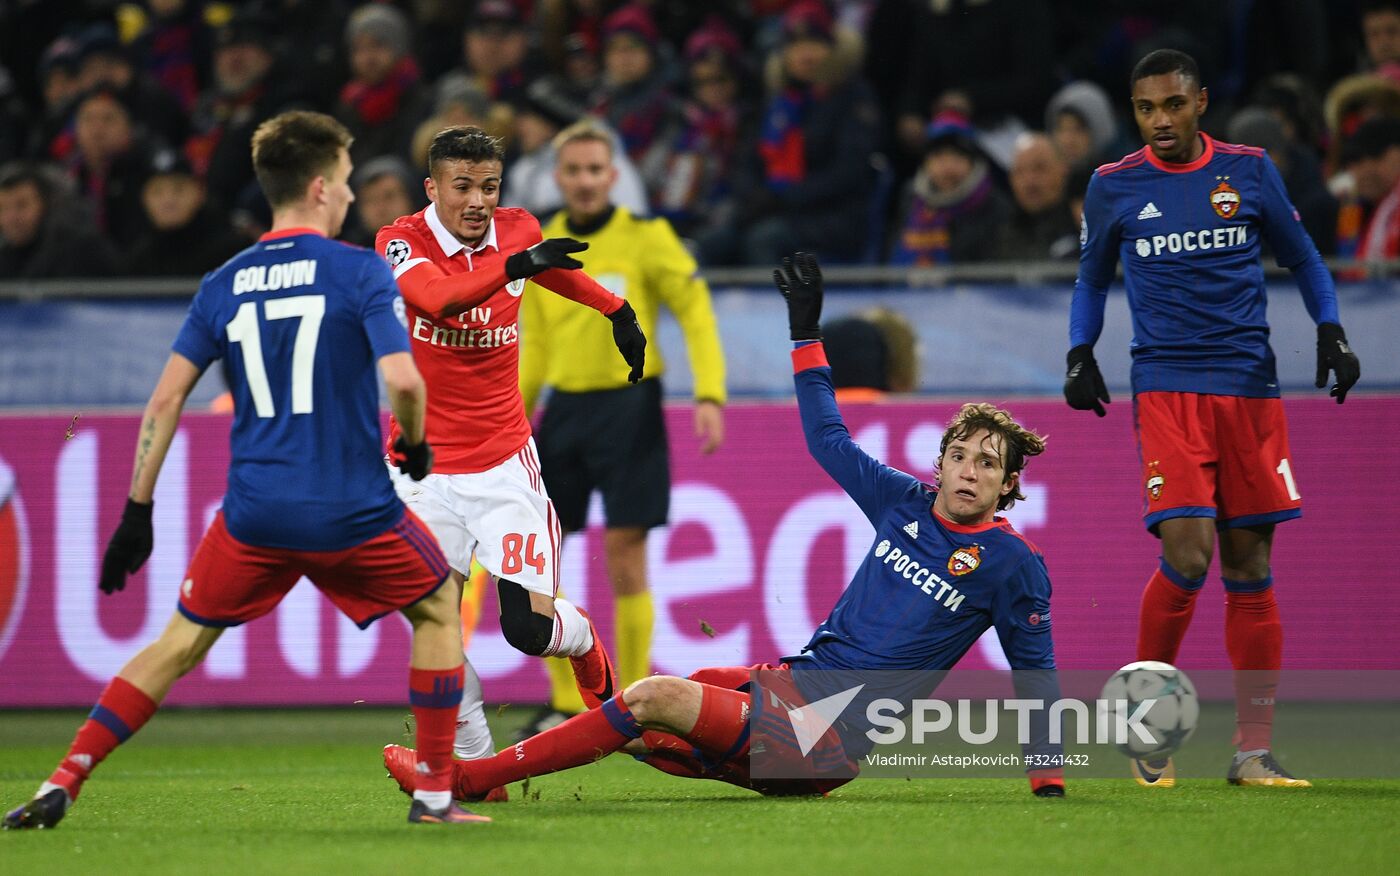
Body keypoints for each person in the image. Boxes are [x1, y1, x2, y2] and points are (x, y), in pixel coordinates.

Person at [383, 252, 1065, 801]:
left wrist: (1049, 779)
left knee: (653, 698)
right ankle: (580, 669)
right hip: (790, 687)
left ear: (1009, 484)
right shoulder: (905, 503)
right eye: (959, 455)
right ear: (940, 462)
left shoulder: (1011, 563)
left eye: (987, 464)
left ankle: (469, 778)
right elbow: (829, 439)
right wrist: (805, 332)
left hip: (822, 736)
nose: (969, 471)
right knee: (644, 719)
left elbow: (1036, 674)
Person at [4, 110, 487, 829]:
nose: (354, 196)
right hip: (351, 508)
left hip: (253, 512)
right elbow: (406, 383)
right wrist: (415, 447)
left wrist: (137, 512)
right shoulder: (359, 271)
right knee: (438, 608)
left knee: (177, 644)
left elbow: (165, 400)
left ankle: (63, 779)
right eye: (350, 182)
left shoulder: (223, 281)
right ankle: (437, 798)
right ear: (321, 187)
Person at [1065, 49, 1361, 789]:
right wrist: (1080, 352)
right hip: (1167, 389)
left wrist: (1331, 329)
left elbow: (1306, 259)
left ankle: (1251, 753)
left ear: (1199, 103)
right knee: (1189, 554)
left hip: (1251, 391)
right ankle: (1145, 731)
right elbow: (1091, 277)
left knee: (1251, 567)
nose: (1159, 121)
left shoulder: (1250, 170)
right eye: (1145, 109)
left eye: (1172, 105)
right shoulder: (1114, 186)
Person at [374, 124, 647, 784]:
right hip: (421, 469)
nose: (477, 201)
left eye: (489, 187)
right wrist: (518, 267)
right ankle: (476, 768)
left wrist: (616, 310)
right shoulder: (399, 242)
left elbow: (551, 270)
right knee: (435, 624)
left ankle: (580, 639)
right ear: (432, 187)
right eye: (462, 186)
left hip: (503, 466)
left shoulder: (519, 231)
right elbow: (436, 298)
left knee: (528, 630)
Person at [516, 120, 726, 738]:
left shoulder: (647, 238)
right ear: (558, 177)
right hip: (564, 411)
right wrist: (515, 413)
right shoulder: (540, 247)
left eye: (594, 170)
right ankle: (564, 701)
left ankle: (633, 700)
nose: (583, 181)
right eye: (573, 170)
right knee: (545, 559)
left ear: (613, 177)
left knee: (624, 554)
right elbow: (532, 342)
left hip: (632, 409)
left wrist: (709, 392)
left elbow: (695, 311)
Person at [123, 151, 246, 276]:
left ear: (200, 193)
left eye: (179, 189)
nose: (168, 201)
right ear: (143, 198)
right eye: (157, 191)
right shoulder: (137, 259)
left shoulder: (232, 254)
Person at [0, 160, 117, 278]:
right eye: (2, 208)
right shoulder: (5, 258)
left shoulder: (81, 250)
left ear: (46, 204)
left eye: (22, 205)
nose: (11, 217)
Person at [993, 132, 1078, 261]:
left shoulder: (1085, 228)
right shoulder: (1000, 235)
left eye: (1040, 168)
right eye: (1020, 171)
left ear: (1064, 170)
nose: (1029, 182)